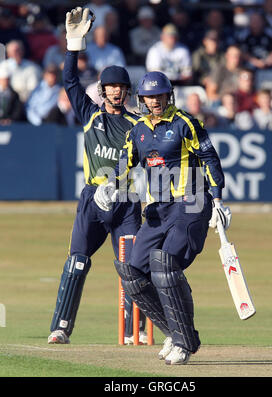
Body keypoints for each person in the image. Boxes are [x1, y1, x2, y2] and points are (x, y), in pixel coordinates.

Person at [96, 71, 231, 365]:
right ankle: (176, 332)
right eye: (149, 97)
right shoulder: (138, 131)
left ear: (168, 95)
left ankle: (183, 342)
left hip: (191, 204)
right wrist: (111, 185)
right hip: (158, 210)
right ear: (141, 99)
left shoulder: (186, 123)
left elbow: (209, 158)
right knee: (132, 272)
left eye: (159, 95)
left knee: (164, 263)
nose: (155, 101)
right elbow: (124, 163)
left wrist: (218, 199)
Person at [48, 7, 146, 345]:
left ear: (127, 91)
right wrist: (74, 45)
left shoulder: (137, 125)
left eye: (120, 87)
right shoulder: (89, 115)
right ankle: (60, 327)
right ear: (102, 90)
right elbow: (70, 81)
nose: (116, 92)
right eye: (110, 87)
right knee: (77, 262)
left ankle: (135, 330)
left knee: (133, 267)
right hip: (92, 201)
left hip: (126, 203)